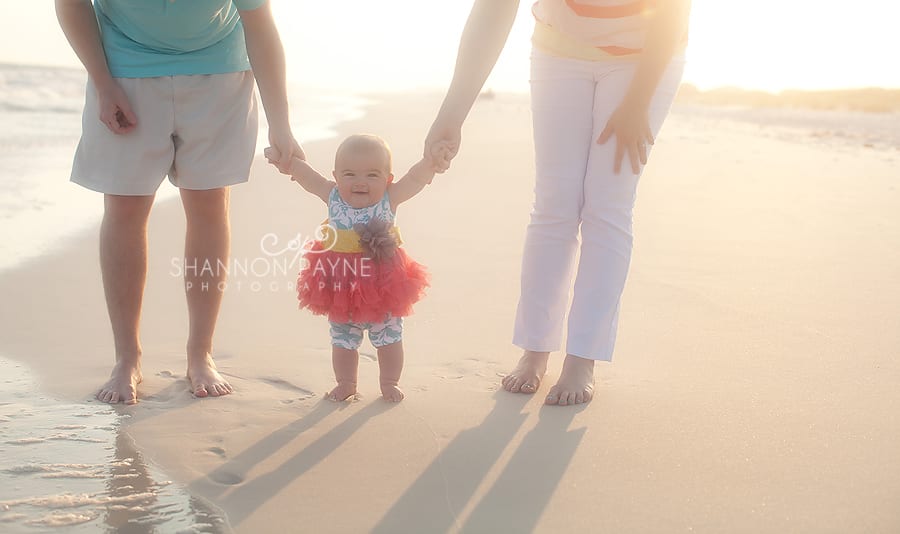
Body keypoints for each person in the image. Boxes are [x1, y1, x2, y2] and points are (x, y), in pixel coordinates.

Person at [425, 0, 692, 406]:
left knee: (607, 204)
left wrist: (638, 102)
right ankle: (535, 348)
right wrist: (452, 115)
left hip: (644, 55)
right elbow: (494, 10)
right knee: (554, 204)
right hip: (560, 48)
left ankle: (583, 356)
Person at [56, 0, 303, 404]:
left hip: (218, 72)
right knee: (125, 207)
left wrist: (281, 123)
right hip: (123, 69)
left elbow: (259, 24)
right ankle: (127, 358)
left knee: (209, 205)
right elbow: (70, 5)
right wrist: (103, 84)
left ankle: (200, 353)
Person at [265, 135, 436, 402]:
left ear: (388, 179)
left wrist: (430, 163)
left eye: (372, 175)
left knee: (389, 337)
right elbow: (309, 178)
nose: (360, 182)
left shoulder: (389, 198)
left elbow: (414, 179)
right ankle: (346, 383)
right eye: (350, 174)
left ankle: (390, 382)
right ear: (336, 177)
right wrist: (289, 163)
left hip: (383, 286)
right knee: (342, 338)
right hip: (340, 285)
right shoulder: (332, 195)